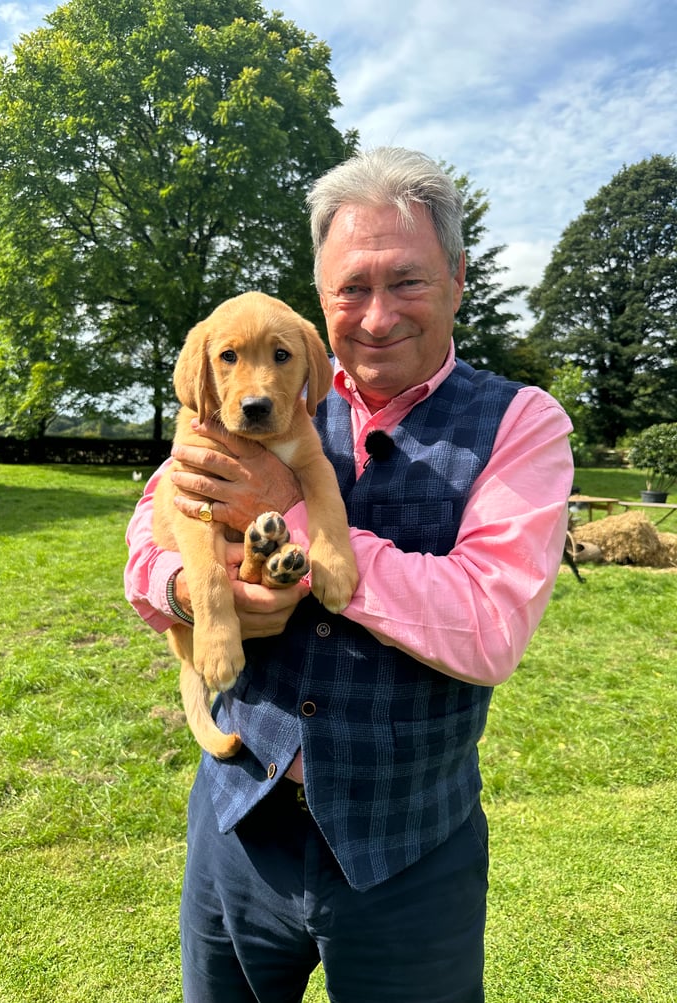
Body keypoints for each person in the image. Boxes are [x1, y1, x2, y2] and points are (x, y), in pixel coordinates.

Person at [124, 147, 574, 1003]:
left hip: (410, 852)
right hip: (238, 825)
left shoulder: (522, 425)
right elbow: (148, 543)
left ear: (457, 279)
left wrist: (288, 519)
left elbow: (488, 627)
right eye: (350, 289)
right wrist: (187, 591)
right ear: (319, 298)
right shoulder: (264, 397)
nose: (375, 316)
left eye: (406, 282)